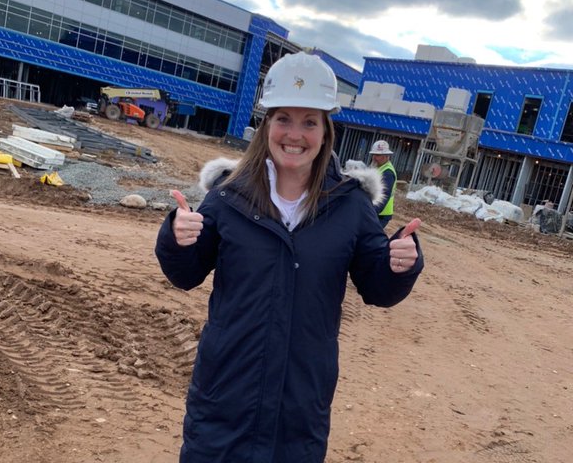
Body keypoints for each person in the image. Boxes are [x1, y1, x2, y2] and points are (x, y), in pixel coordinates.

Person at [156, 52, 424, 463]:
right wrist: (178, 238)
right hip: (225, 396)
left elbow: (378, 288)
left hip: (300, 403)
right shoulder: (229, 196)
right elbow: (185, 274)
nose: (295, 134)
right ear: (267, 124)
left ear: (326, 131)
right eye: (283, 118)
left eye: (309, 122)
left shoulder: (350, 205)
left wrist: (399, 264)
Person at [369, 139, 397, 227]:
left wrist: (371, 212)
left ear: (386, 156)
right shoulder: (376, 166)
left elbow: (383, 196)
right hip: (374, 211)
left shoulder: (388, 173)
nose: (374, 157)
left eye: (377, 155)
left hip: (380, 214)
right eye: (373, 154)